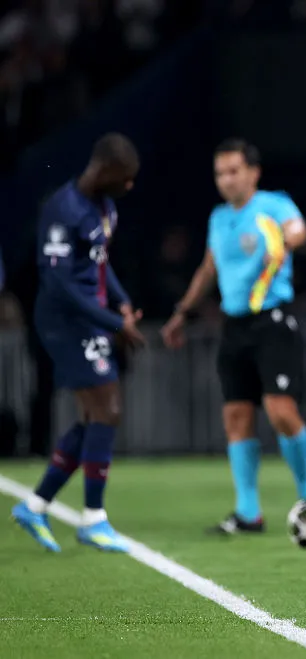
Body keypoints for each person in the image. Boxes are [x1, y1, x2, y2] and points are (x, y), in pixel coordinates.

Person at [160, 139, 306, 534]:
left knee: (281, 410)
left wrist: (282, 246)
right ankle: (248, 513)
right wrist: (182, 313)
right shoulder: (218, 218)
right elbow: (208, 269)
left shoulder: (273, 206)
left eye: (233, 171)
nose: (226, 180)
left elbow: (297, 231)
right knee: (236, 415)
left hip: (273, 321)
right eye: (220, 173)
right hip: (234, 325)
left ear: (253, 172)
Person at [11, 133, 145, 553]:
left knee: (96, 416)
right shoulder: (61, 209)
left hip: (90, 320)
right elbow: (59, 282)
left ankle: (35, 505)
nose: (129, 187)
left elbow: (99, 264)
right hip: (64, 321)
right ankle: (93, 519)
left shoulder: (105, 207)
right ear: (103, 171)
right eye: (124, 179)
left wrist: (122, 304)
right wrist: (112, 321)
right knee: (108, 408)